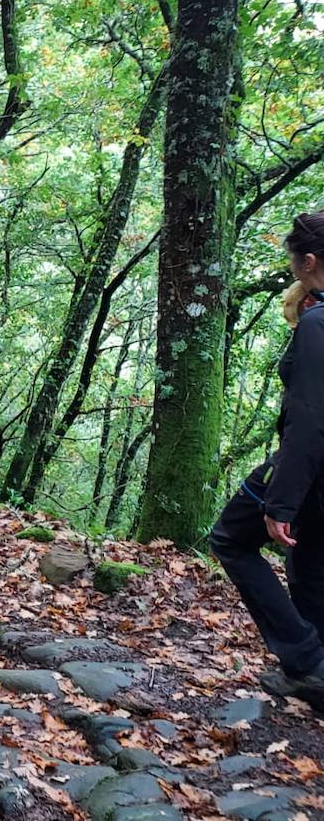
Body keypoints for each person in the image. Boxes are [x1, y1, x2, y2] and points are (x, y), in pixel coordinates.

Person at [210, 210, 324, 712]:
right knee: (311, 566)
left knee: (232, 539)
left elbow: (308, 420)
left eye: (294, 262)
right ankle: (311, 677)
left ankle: (305, 660)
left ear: (310, 261)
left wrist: (281, 501)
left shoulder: (319, 325)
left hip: (310, 471)